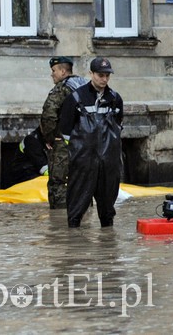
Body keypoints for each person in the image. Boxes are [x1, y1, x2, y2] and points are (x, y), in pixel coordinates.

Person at [59, 57, 124, 228]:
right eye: (100, 75)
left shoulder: (115, 98)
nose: (104, 79)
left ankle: (108, 245)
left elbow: (118, 125)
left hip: (108, 162)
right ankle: (74, 242)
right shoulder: (76, 97)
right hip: (84, 161)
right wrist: (78, 154)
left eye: (107, 76)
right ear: (91, 74)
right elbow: (65, 129)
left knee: (107, 208)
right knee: (76, 205)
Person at [40, 56, 87, 209]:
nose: (52, 74)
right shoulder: (87, 86)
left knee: (57, 182)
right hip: (86, 142)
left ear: (62, 71)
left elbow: (49, 113)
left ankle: (59, 223)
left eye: (53, 71)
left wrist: (50, 137)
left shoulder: (62, 88)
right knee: (82, 181)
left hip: (63, 142)